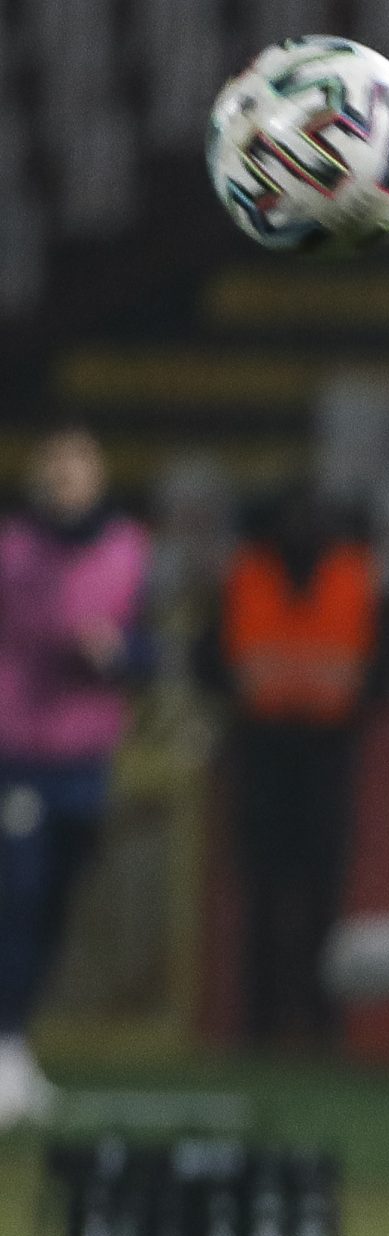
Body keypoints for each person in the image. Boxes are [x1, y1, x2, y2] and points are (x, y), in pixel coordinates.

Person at [0, 425, 154, 1124]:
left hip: (85, 754)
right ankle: (3, 1045)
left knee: (59, 898)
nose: (63, 485)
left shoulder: (128, 550)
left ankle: (18, 1038)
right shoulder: (13, 551)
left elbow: (150, 653)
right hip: (17, 747)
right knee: (18, 894)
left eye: (75, 472)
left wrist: (118, 655)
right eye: (53, 472)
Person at [204, 486, 384, 1048]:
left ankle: (320, 1021)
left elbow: (376, 668)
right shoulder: (247, 574)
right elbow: (212, 658)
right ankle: (261, 1021)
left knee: (320, 894)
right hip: (264, 750)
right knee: (263, 890)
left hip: (325, 753)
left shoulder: (354, 575)